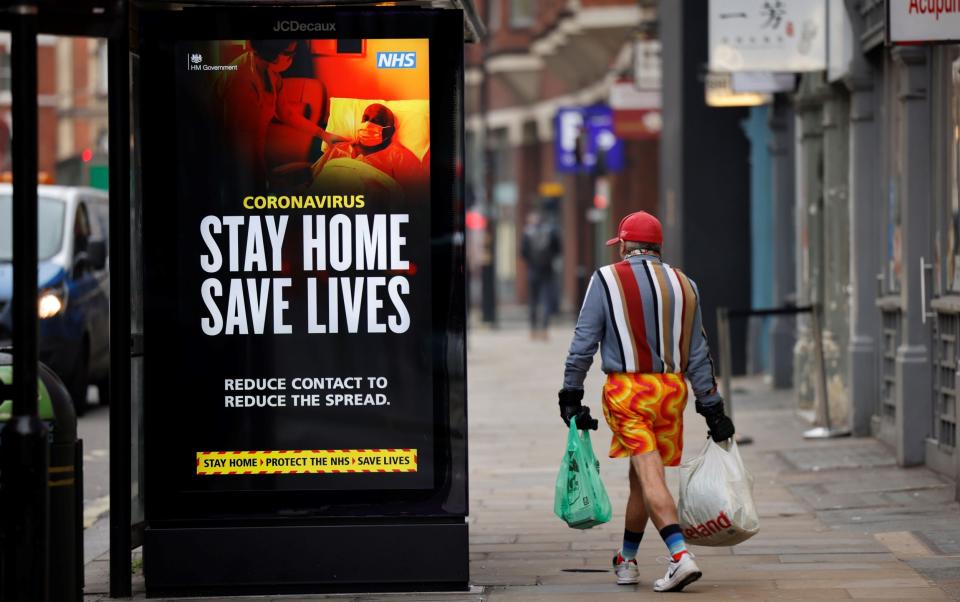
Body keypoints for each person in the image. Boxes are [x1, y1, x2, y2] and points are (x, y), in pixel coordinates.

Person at [558, 211, 735, 593]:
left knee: (649, 474)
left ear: (624, 245)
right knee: (641, 477)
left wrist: (570, 393)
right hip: (671, 392)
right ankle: (627, 560)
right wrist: (712, 408)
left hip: (629, 392)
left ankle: (680, 556)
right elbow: (698, 352)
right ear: (657, 248)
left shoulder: (606, 279)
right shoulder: (684, 284)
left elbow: (583, 341)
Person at [217, 40, 346, 189]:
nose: (292, 58)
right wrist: (265, 178)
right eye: (289, 53)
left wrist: (323, 134)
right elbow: (242, 144)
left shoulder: (272, 75)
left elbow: (286, 113)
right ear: (271, 51)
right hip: (232, 163)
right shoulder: (241, 79)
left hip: (253, 160)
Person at [312, 103, 425, 193]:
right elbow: (312, 181)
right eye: (365, 119)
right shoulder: (339, 148)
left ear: (390, 130)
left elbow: (417, 199)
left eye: (376, 121)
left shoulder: (400, 157)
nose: (367, 124)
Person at [520, 210, 561, 340]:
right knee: (546, 300)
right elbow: (558, 249)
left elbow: (523, 253)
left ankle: (533, 330)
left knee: (533, 300)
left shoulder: (527, 233)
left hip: (533, 270)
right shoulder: (550, 232)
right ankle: (544, 329)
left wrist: (531, 261)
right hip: (548, 270)